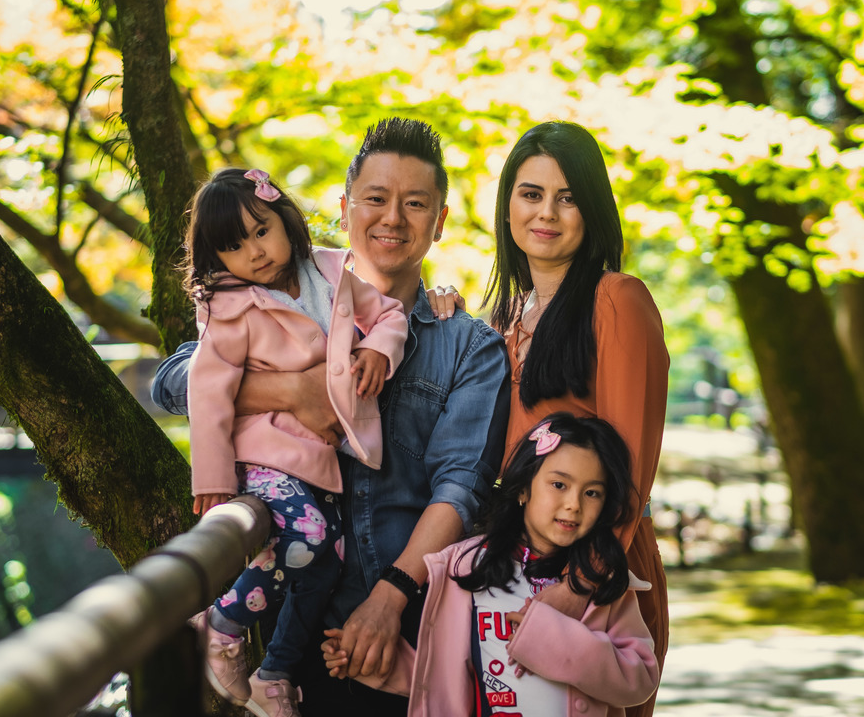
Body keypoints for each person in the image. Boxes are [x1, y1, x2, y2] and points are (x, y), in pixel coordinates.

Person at [151, 118, 510, 716]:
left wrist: (389, 599)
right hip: (309, 636)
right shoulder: (265, 302)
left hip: (417, 635)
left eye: (415, 203)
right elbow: (173, 382)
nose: (392, 218)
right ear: (345, 209)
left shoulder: (467, 345)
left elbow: (461, 487)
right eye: (375, 199)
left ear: (439, 220)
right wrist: (288, 389)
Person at [182, 167, 409, 715]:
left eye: (261, 231)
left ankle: (275, 669)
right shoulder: (228, 308)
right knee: (308, 540)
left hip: (317, 459)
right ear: (218, 259)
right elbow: (207, 393)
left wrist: (379, 348)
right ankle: (222, 622)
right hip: (264, 455)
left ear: (285, 220)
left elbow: (391, 313)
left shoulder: (331, 270)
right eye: (234, 246)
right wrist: (212, 482)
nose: (255, 252)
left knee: (326, 558)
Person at [483, 120, 671, 717]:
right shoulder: (503, 320)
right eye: (531, 193)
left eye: (568, 198)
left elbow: (627, 467)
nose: (547, 213)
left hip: (597, 576)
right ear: (507, 204)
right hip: (512, 569)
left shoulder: (617, 301)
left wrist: (572, 595)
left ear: (593, 210)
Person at [321, 413, 660, 717]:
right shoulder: (466, 567)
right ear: (523, 489)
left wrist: (552, 638)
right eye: (559, 485)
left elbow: (640, 678)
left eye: (592, 493)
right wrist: (374, 662)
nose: (573, 504)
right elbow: (447, 675)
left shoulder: (600, 581)